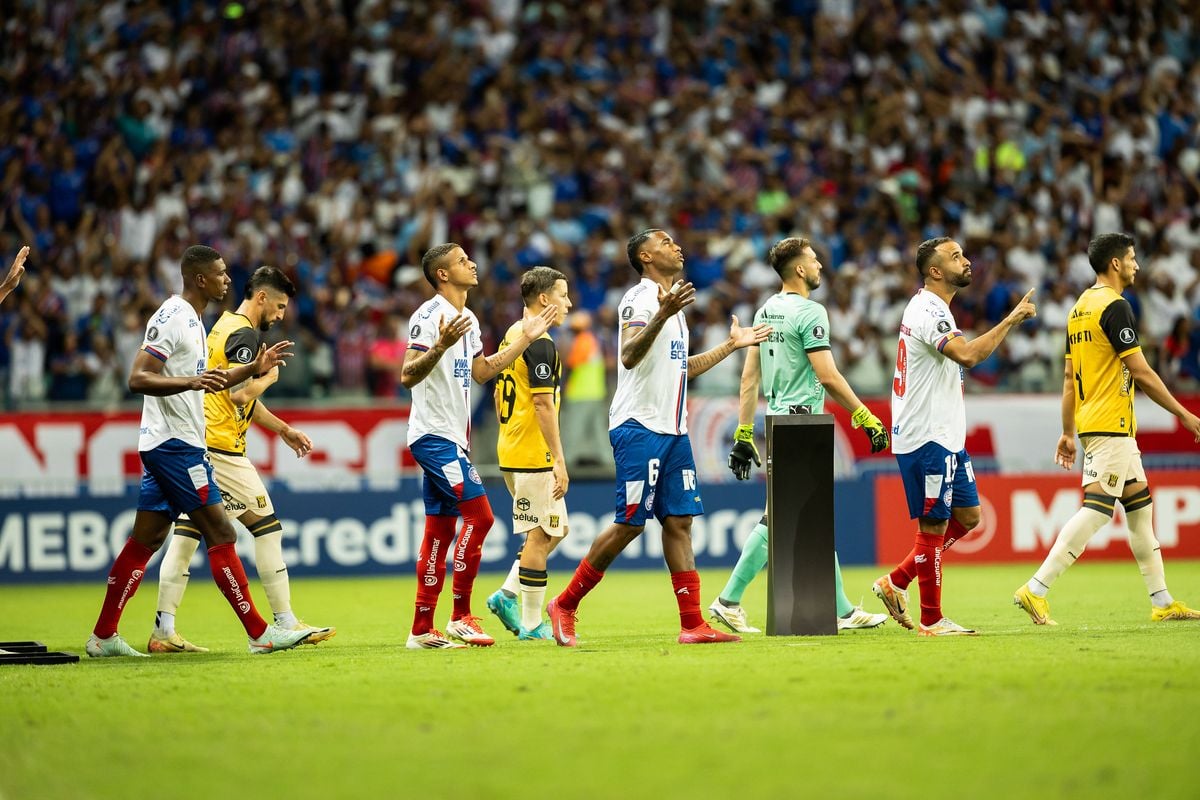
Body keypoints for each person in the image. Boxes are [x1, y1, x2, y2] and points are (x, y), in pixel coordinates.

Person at [545, 229, 771, 647]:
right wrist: (662, 315)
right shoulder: (639, 299)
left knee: (680, 522)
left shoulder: (673, 308)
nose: (677, 246)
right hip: (639, 427)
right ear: (646, 256)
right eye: (666, 243)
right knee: (630, 524)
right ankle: (565, 604)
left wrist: (731, 345)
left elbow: (682, 367)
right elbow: (629, 355)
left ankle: (692, 624)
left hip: (674, 431)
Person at [86, 245, 311, 657]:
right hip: (176, 447)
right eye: (221, 273)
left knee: (145, 542)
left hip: (175, 444)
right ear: (200, 278)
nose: (228, 279)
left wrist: (251, 369)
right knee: (222, 533)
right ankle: (262, 633)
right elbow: (138, 378)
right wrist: (188, 383)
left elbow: (213, 380)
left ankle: (103, 637)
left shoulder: (197, 320)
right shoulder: (172, 316)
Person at [1015, 233, 1200, 624]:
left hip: (1095, 424)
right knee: (1098, 511)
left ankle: (1163, 601)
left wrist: (1067, 432)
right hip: (1111, 424)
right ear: (1115, 264)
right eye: (1131, 258)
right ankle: (1036, 589)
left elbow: (1069, 378)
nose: (1136, 265)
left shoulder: (1079, 308)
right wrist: (1184, 415)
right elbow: (1141, 371)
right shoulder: (1115, 307)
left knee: (1140, 511)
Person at [147, 265, 334, 653]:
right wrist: (266, 380)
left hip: (201, 443)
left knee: (186, 538)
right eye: (279, 306)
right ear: (261, 298)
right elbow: (237, 394)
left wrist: (282, 428)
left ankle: (163, 631)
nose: (281, 315)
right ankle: (282, 621)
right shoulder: (244, 334)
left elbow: (233, 390)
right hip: (222, 450)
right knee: (268, 528)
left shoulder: (222, 326)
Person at [715, 237, 890, 633]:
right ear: (799, 269)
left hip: (778, 420)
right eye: (814, 260)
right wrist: (864, 416)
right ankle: (729, 599)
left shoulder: (766, 310)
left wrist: (745, 431)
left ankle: (842, 609)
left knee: (803, 516)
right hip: (803, 422)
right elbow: (827, 375)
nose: (820, 267)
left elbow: (749, 377)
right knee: (783, 517)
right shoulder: (811, 312)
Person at [872, 237, 1036, 637]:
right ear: (934, 271)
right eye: (955, 256)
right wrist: (1011, 320)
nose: (966, 261)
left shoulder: (935, 307)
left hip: (945, 435)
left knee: (968, 516)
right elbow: (968, 355)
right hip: (927, 435)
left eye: (963, 253)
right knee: (932, 527)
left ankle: (896, 581)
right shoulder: (930, 310)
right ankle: (932, 619)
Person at [401, 243, 556, 649]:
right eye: (462, 261)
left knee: (439, 530)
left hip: (453, 437)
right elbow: (407, 375)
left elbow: (483, 372)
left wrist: (525, 339)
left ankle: (421, 629)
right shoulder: (429, 316)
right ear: (443, 275)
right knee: (482, 517)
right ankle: (460, 615)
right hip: (433, 436)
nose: (472, 264)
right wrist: (439, 346)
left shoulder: (467, 317)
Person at [486, 266, 573, 640]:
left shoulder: (513, 334)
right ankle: (533, 622)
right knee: (541, 535)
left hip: (511, 446)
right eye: (563, 294)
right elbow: (542, 404)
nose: (568, 302)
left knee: (557, 530)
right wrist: (558, 458)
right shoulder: (541, 343)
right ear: (544, 299)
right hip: (532, 453)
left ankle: (507, 593)